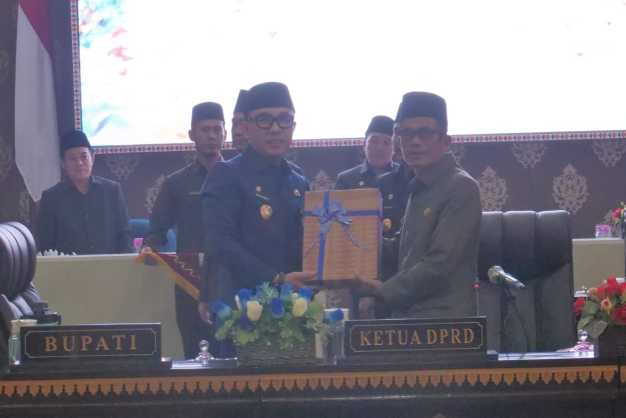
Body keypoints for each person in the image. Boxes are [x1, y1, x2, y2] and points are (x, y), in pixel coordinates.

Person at [351, 92, 481, 319]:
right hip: (411, 318)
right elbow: (404, 249)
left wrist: (383, 291)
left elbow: (440, 265)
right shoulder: (421, 185)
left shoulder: (461, 187)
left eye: (425, 133)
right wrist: (351, 242)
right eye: (406, 133)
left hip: (446, 324)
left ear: (445, 141)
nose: (415, 141)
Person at [201, 82, 313, 313]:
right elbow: (220, 243)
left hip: (293, 307)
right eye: (264, 120)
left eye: (284, 119)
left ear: (293, 126)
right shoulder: (226, 174)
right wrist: (276, 279)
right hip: (243, 309)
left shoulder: (299, 180)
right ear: (245, 127)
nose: (275, 129)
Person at [142, 102, 225, 359]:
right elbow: (156, 230)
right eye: (205, 130)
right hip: (190, 282)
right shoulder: (176, 183)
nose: (211, 136)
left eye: (217, 129)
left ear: (225, 133)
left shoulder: (239, 178)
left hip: (230, 278)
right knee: (193, 356)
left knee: (233, 355)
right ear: (191, 134)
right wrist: (149, 248)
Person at [37, 130, 131, 255]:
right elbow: (45, 245)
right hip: (68, 266)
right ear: (63, 163)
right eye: (72, 159)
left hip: (109, 265)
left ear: (92, 158)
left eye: (84, 157)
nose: (79, 163)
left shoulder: (112, 191)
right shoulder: (51, 198)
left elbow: (125, 236)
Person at [335, 115, 397, 190]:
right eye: (374, 141)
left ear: (394, 148)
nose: (379, 148)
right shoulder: (345, 180)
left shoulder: (405, 176)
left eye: (386, 143)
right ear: (364, 145)